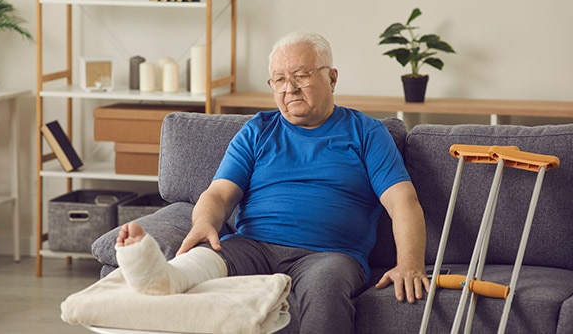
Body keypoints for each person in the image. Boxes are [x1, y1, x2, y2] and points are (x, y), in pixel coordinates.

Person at [115, 31, 429, 334]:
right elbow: (220, 194)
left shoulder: (367, 133)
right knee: (202, 262)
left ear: (332, 78)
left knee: (326, 289)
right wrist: (204, 221)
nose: (289, 88)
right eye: (278, 79)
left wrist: (410, 264)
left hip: (330, 256)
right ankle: (157, 275)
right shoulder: (257, 131)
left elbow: (402, 201)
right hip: (255, 246)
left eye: (301, 76)